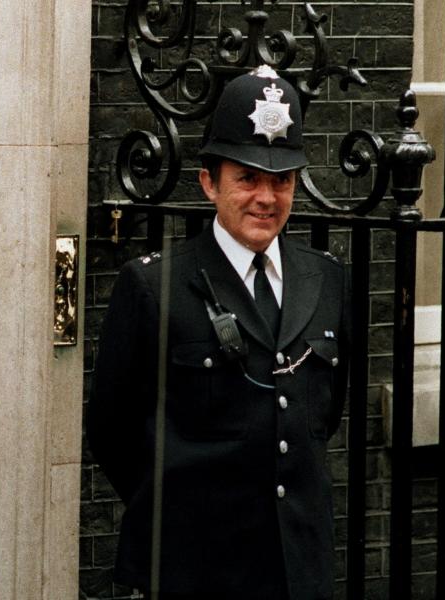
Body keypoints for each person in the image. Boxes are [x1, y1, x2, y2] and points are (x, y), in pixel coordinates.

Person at [89, 65, 350, 599]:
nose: (266, 197)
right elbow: (113, 431)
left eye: (281, 181)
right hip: (195, 566)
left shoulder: (325, 278)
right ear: (210, 182)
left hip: (297, 567)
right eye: (248, 177)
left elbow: (324, 416)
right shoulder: (154, 284)